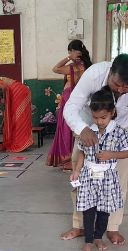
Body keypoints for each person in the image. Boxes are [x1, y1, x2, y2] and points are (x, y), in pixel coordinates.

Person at [61, 53, 128, 245]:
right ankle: (80, 225)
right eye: (116, 84)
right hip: (88, 126)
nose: (120, 90)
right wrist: (82, 129)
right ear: (110, 72)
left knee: (118, 184)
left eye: (127, 87)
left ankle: (112, 228)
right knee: (80, 181)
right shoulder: (94, 74)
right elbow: (70, 107)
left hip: (122, 128)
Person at [70, 89, 128, 251]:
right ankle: (89, 240)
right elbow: (82, 152)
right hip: (88, 176)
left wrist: (111, 155)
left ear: (112, 112)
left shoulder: (119, 131)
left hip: (108, 177)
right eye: (95, 117)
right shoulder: (88, 131)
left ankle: (99, 237)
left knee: (104, 210)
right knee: (88, 210)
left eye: (103, 117)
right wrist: (76, 171)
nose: (99, 121)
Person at [47, 40, 92, 168]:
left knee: (66, 128)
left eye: (71, 51)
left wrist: (68, 58)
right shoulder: (87, 65)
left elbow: (55, 69)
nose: (69, 54)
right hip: (79, 100)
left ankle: (69, 159)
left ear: (76, 52)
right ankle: (75, 158)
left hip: (69, 100)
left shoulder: (76, 67)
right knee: (74, 127)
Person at [0, 76, 33, 153]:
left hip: (18, 91)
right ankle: (23, 142)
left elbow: (3, 89)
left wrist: (0, 101)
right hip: (23, 90)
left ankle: (19, 143)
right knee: (21, 117)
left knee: (17, 119)